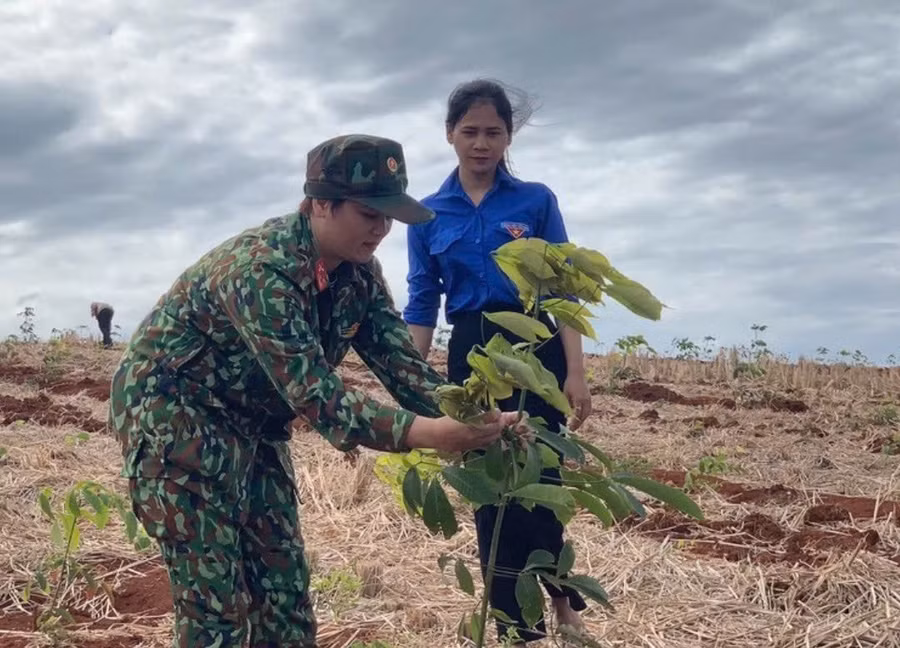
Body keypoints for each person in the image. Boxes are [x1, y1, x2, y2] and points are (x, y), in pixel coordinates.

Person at [108, 134, 524, 648]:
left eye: (389, 216)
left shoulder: (360, 275)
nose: (382, 229)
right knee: (216, 603)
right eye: (370, 213)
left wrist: (479, 419)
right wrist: (428, 435)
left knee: (283, 594)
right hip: (175, 414)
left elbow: (402, 364)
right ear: (321, 204)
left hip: (254, 422)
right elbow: (318, 397)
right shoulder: (260, 271)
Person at [403, 79, 593, 644]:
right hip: (471, 350)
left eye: (493, 132)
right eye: (470, 132)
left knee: (541, 472)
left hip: (536, 348)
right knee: (489, 482)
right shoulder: (428, 213)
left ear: (509, 137)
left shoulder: (535, 200)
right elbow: (421, 300)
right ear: (449, 135)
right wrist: (412, 380)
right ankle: (515, 623)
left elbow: (563, 289)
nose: (481, 144)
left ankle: (561, 599)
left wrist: (575, 373)